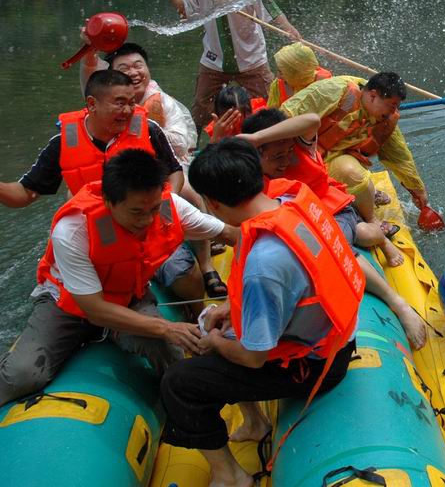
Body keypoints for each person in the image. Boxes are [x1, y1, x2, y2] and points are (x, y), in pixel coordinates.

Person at [160, 139, 404, 487]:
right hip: (338, 339)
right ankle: (255, 423)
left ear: (212, 203)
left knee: (179, 383)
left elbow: (253, 357)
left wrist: (213, 343)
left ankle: (230, 476)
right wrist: (230, 308)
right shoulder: (292, 203)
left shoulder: (264, 263)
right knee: (225, 328)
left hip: (315, 367)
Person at [0, 149, 238, 406]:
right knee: (22, 375)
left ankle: (179, 410)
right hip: (68, 306)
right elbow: (95, 310)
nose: (148, 220)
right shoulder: (73, 229)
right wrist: (168, 328)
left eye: (154, 208)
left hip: (128, 296)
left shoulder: (169, 208)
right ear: (108, 201)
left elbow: (229, 234)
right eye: (136, 212)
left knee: (168, 352)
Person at [0, 70, 214, 300]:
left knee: (185, 275)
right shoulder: (63, 142)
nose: (128, 110)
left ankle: (198, 313)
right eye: (120, 103)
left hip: (145, 223)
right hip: (94, 231)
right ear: (92, 104)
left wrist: (158, 207)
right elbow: (24, 194)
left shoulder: (149, 129)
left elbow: (174, 173)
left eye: (131, 102)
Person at [148, 0, 302, 132]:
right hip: (214, 60)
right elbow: (184, 11)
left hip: (251, 58)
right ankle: (199, 147)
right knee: (200, 111)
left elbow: (271, 10)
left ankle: (270, 140)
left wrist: (290, 31)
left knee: (270, 108)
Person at [239, 108, 408, 269]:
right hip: (302, 220)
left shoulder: (302, 146)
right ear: (255, 154)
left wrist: (257, 138)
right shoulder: (251, 170)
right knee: (356, 235)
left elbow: (312, 120)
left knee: (343, 240)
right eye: (277, 156)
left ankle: (382, 241)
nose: (286, 160)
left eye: (289, 151)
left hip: (334, 211)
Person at [280, 72, 432, 222]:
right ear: (373, 96)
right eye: (391, 106)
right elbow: (284, 118)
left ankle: (367, 207)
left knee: (355, 175)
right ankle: (370, 217)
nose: (394, 112)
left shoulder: (386, 119)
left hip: (333, 163)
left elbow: (399, 157)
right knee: (350, 174)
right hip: (300, 158)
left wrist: (418, 190)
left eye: (397, 107)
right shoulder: (336, 91)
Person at [80, 41, 198, 168]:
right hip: (114, 165)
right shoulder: (102, 99)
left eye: (138, 66)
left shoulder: (164, 102)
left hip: (154, 165)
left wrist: (147, 129)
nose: (133, 72)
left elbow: (181, 146)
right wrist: (89, 50)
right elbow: (89, 71)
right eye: (124, 69)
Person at [266, 42, 332, 107]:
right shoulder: (278, 84)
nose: (278, 76)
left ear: (298, 74)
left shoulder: (323, 83)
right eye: (279, 70)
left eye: (282, 72)